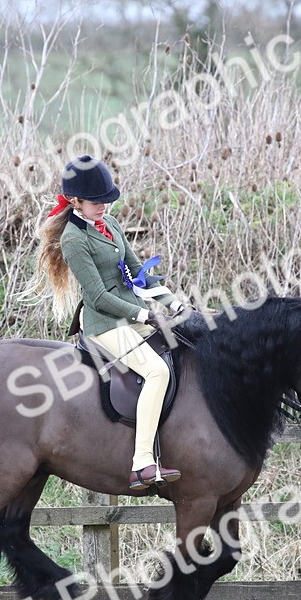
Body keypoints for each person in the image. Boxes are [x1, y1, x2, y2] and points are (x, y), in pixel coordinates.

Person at [31, 155, 188, 490]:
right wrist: (146, 315)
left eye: (106, 200)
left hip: (132, 314)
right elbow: (99, 297)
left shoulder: (110, 225)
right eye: (96, 202)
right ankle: (142, 463)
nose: (103, 206)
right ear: (75, 202)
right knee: (156, 371)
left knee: (183, 350)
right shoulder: (74, 240)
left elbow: (138, 271)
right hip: (105, 324)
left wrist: (173, 303)